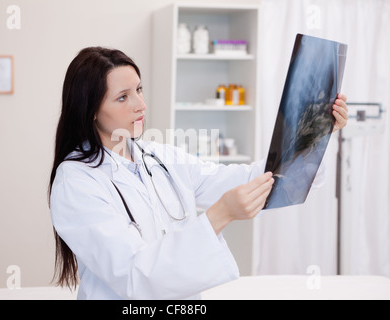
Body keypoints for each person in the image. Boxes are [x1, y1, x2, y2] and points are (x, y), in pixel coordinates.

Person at [48, 47, 348, 300]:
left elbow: (251, 178)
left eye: (139, 89)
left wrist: (315, 135)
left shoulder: (161, 157)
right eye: (123, 97)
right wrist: (220, 214)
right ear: (90, 110)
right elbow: (134, 276)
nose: (141, 105)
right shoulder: (76, 181)